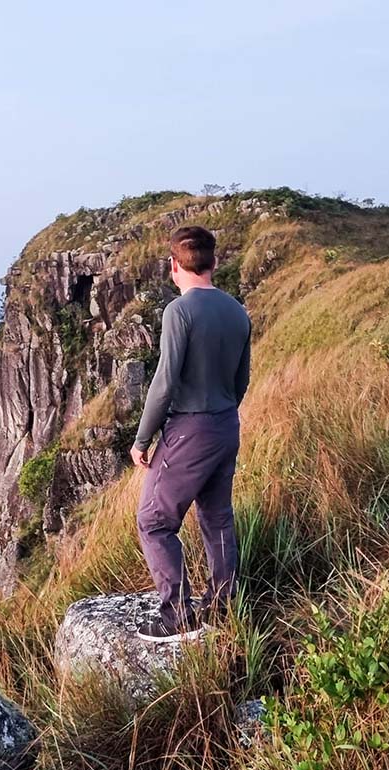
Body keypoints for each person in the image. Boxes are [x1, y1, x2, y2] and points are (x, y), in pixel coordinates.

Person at [130, 225, 252, 642]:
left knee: (153, 521)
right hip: (225, 423)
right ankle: (222, 607)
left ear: (174, 266)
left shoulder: (178, 312)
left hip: (189, 427)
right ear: (214, 262)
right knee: (217, 517)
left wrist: (143, 439)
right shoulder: (237, 312)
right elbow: (242, 381)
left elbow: (164, 383)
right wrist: (221, 412)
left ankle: (175, 615)